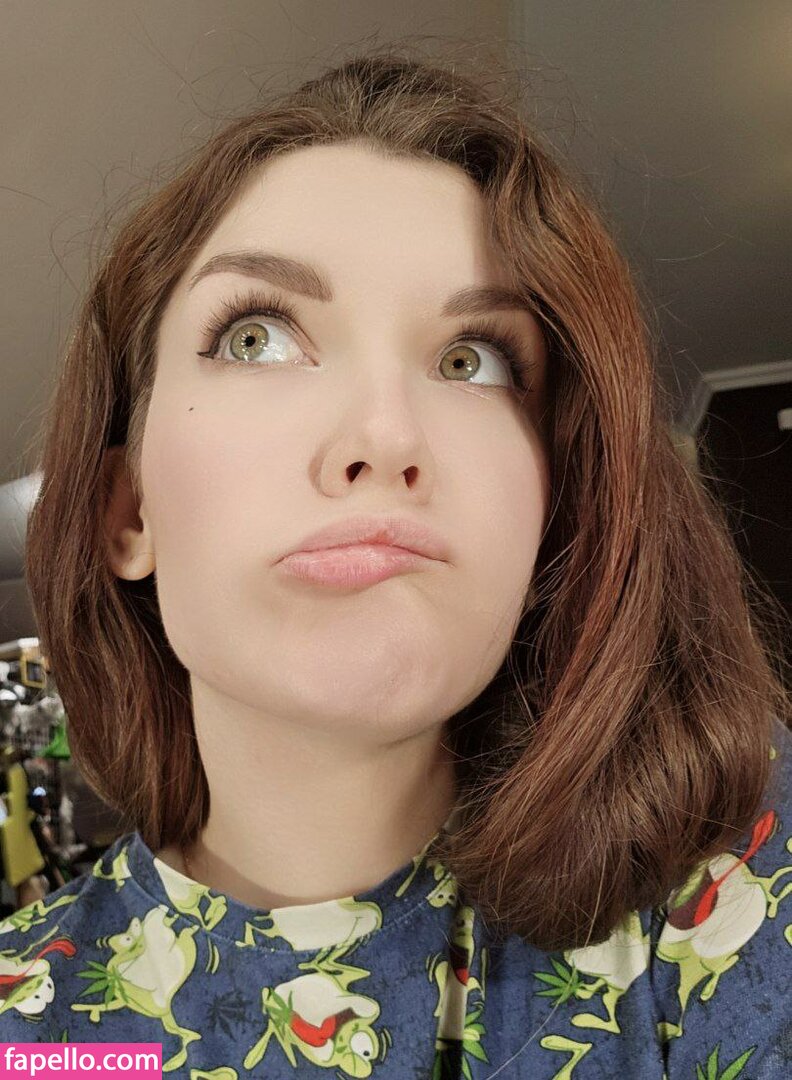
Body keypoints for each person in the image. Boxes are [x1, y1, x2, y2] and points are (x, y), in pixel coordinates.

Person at [2, 47, 789, 1079]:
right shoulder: (24, 1018)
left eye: (474, 361)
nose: (384, 436)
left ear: (555, 504)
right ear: (127, 510)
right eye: (256, 338)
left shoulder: (736, 887)